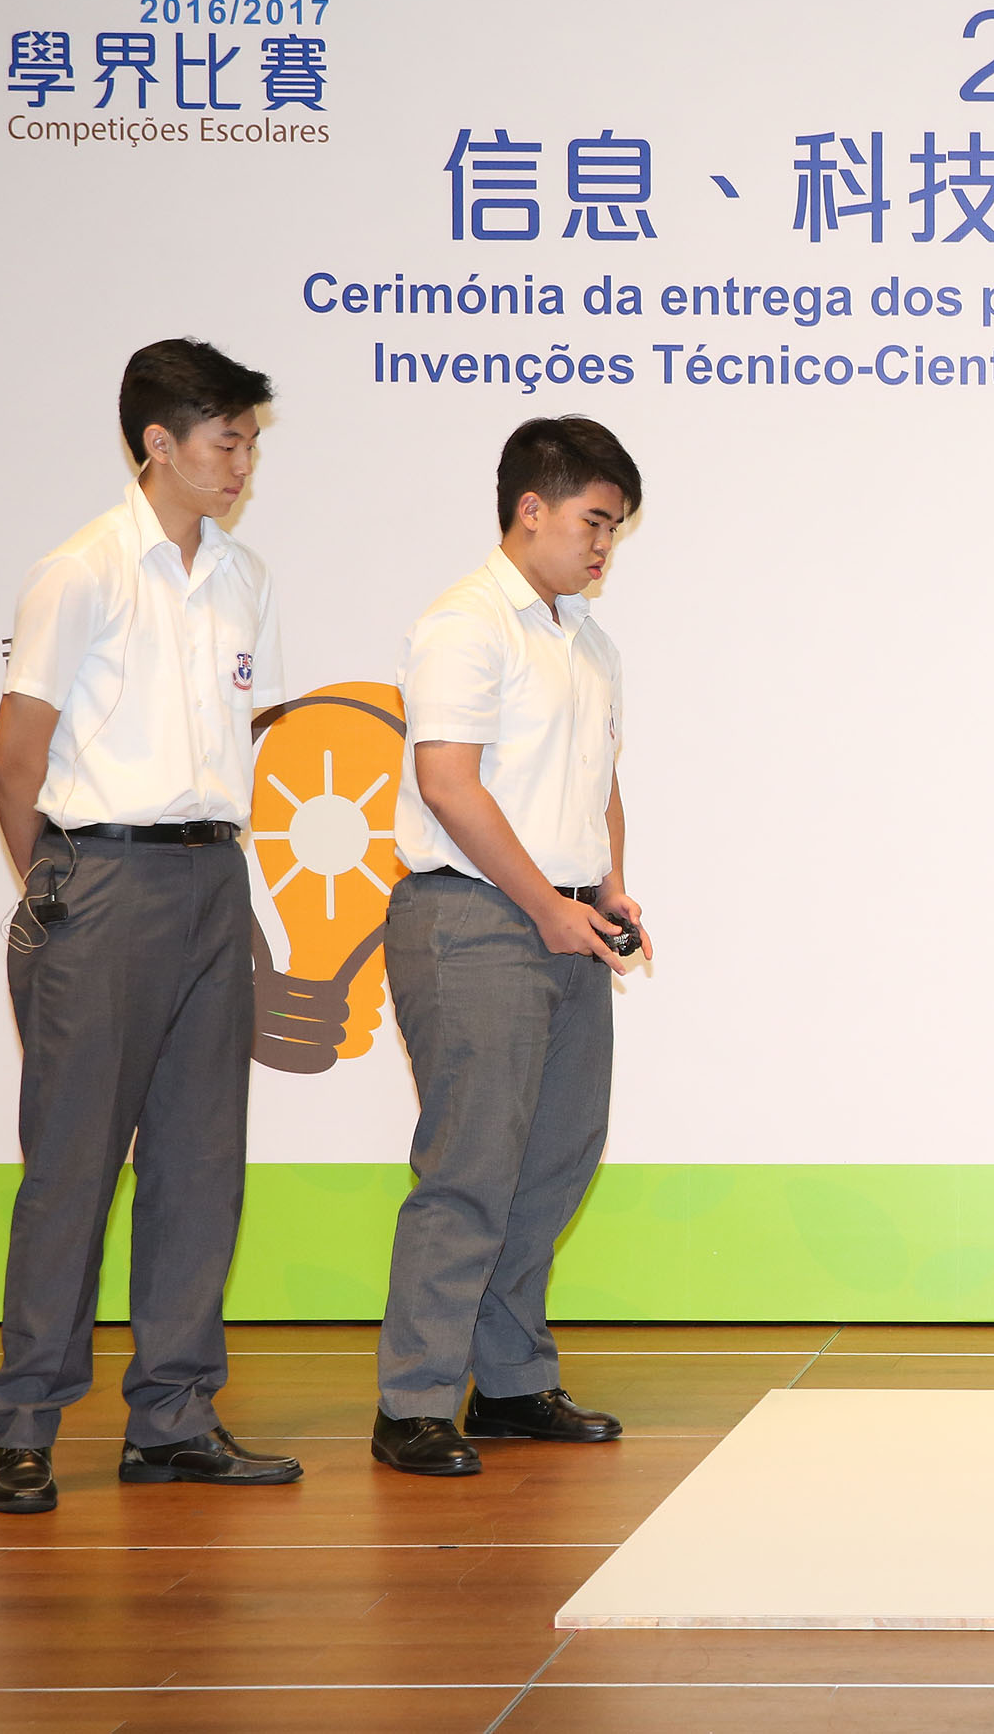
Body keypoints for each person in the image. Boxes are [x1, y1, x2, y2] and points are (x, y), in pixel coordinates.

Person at [0, 339, 305, 1515]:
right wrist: (53, 889)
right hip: (101, 877)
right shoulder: (81, 571)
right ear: (159, 443)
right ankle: (26, 1425)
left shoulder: (246, 576)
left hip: (215, 876)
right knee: (73, 1166)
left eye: (252, 441)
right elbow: (16, 756)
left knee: (200, 1164)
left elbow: (242, 739)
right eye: (227, 440)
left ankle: (172, 1418)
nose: (244, 462)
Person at [370, 416, 649, 1477]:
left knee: (555, 1158)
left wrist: (607, 890)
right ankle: (414, 1401)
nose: (604, 545)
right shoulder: (466, 623)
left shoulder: (588, 641)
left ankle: (512, 1380)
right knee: (471, 1164)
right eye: (593, 521)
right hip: (476, 918)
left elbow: (598, 784)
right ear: (530, 508)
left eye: (615, 528)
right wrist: (544, 905)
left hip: (566, 920)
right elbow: (448, 785)